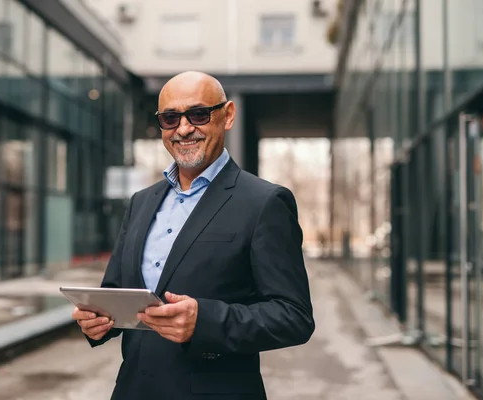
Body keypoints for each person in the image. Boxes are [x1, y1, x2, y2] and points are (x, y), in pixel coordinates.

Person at [72, 71, 314, 399]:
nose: (184, 129)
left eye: (198, 114)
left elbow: (294, 316)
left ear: (227, 116)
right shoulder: (141, 203)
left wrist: (206, 321)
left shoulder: (265, 202)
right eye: (170, 118)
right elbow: (117, 291)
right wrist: (97, 321)